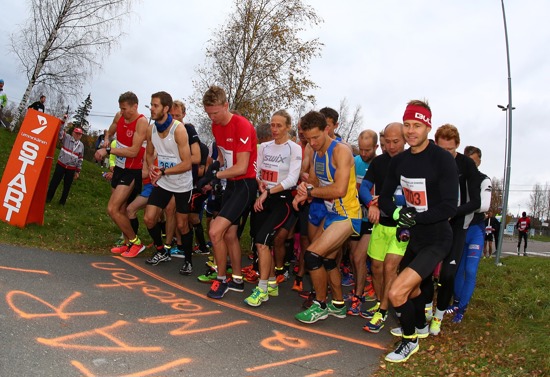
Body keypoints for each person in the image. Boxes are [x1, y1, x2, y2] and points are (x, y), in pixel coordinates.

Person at [378, 100, 458, 363]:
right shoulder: (399, 161)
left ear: (427, 127)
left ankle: (409, 341)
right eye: (407, 125)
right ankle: (420, 325)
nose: (411, 131)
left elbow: (449, 206)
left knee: (396, 292)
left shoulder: (442, 159)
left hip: (437, 237)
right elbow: (386, 198)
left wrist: (418, 216)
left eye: (417, 125)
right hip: (413, 236)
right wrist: (401, 214)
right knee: (411, 291)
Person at [292, 110, 362, 324]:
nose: (312, 143)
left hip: (348, 215)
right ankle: (338, 304)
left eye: (316, 137)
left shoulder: (341, 151)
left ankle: (320, 304)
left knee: (312, 255)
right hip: (332, 214)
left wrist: (310, 193)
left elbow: (340, 189)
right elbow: (314, 180)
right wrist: (303, 191)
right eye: (308, 138)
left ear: (327, 130)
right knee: (328, 260)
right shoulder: (314, 153)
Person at [199, 85, 258, 299]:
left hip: (245, 185)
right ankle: (238, 280)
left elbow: (241, 167)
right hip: (231, 185)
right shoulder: (216, 127)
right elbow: (223, 158)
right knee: (231, 234)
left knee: (215, 232)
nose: (212, 118)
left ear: (226, 105)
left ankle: (221, 279)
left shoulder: (241, 125)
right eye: (208, 113)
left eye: (215, 112)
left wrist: (215, 176)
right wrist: (211, 171)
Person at [427, 123, 481, 337]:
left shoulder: (467, 165)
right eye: (442, 149)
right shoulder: (431, 161)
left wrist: (452, 211)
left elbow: (475, 201)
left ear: (457, 146)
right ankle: (426, 312)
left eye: (450, 150)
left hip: (457, 225)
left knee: (448, 274)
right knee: (426, 272)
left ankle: (438, 317)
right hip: (433, 224)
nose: (446, 154)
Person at [244, 110, 301, 307]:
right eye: (272, 125)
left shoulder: (294, 149)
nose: (274, 129)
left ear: (288, 127)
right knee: (259, 242)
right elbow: (255, 170)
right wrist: (260, 183)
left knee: (263, 241)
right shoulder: (264, 147)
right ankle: (269, 282)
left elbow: (293, 179)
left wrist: (269, 191)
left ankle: (262, 290)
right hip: (263, 198)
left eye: (279, 125)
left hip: (282, 200)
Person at [359, 122, 407, 333]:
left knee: (390, 267)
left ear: (405, 139)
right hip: (381, 224)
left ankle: (384, 310)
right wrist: (372, 204)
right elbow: (365, 189)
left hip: (402, 226)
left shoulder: (412, 162)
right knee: (376, 267)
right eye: (387, 141)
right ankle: (381, 303)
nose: (391, 145)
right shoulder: (379, 162)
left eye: (396, 141)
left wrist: (392, 202)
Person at [143, 91, 194, 271]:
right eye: (151, 105)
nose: (152, 108)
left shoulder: (178, 129)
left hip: (181, 184)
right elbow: (149, 154)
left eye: (155, 105)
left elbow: (188, 163)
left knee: (182, 224)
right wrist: (151, 167)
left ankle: (188, 260)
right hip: (163, 181)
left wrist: (163, 171)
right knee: (149, 218)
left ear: (166, 108)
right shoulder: (151, 129)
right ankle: (161, 251)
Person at [94, 91, 148, 257]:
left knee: (112, 208)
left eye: (125, 109)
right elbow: (110, 131)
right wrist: (106, 139)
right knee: (121, 209)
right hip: (118, 168)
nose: (122, 112)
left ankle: (136, 242)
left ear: (135, 106)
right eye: (120, 108)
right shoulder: (119, 116)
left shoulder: (141, 122)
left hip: (132, 170)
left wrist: (108, 150)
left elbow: (133, 151)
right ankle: (126, 243)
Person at [451, 145, 492, 323]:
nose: (470, 165)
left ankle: (462, 308)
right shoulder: (457, 176)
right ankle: (457, 302)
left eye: (473, 162)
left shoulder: (483, 179)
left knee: (470, 270)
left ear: (479, 162)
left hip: (476, 229)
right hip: (460, 228)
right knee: (457, 269)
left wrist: (457, 209)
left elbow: (484, 206)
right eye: (467, 161)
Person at [347, 129, 378, 316]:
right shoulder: (354, 162)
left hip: (372, 219)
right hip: (355, 215)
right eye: (361, 149)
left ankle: (359, 296)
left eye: (368, 150)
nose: (364, 153)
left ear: (376, 147)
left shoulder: (381, 164)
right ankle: (359, 288)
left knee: (360, 257)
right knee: (353, 256)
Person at [46, 121, 84, 205]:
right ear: (73, 133)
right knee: (54, 182)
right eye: (76, 133)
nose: (77, 135)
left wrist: (78, 171)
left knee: (67, 186)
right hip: (61, 164)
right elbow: (60, 133)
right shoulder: (66, 137)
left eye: (79, 134)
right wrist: (63, 122)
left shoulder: (81, 145)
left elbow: (80, 158)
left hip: (71, 168)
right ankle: (48, 198)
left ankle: (62, 202)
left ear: (81, 136)